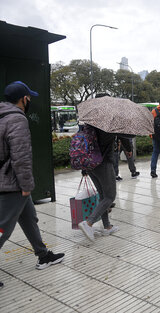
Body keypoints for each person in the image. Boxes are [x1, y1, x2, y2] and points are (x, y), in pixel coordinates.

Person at [0, 81, 65, 287]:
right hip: (11, 183)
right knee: (2, 228)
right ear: (23, 99)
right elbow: (21, 157)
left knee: (29, 218)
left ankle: (43, 254)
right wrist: (27, 185)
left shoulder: (1, 115)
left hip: (6, 178)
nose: (30, 101)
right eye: (29, 97)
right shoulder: (16, 119)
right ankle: (43, 254)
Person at [78, 126, 118, 241]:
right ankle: (89, 223)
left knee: (102, 196)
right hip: (103, 163)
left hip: (90, 164)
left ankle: (107, 226)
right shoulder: (108, 127)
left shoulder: (89, 124)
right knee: (110, 196)